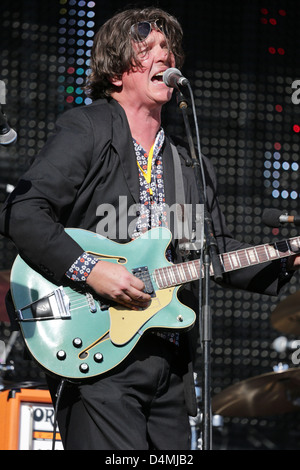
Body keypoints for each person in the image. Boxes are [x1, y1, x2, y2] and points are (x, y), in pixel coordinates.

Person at [0, 7, 299, 450]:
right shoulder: (87, 129)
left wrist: (285, 258)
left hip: (169, 360)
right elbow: (22, 211)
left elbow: (212, 255)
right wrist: (90, 269)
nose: (164, 55)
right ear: (117, 73)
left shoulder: (190, 163)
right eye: (148, 49)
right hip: (94, 348)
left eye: (167, 47)